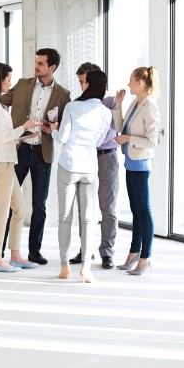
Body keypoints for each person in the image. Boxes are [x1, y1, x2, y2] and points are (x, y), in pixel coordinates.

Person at [0, 48, 71, 266]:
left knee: (37, 205)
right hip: (18, 150)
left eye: (41, 63)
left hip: (42, 151)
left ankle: (32, 251)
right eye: (36, 62)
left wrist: (53, 127)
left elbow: (64, 124)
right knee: (7, 205)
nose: (36, 66)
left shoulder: (63, 94)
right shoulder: (22, 85)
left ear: (52, 67)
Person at [45, 70, 111, 283]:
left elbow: (63, 138)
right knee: (89, 219)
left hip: (69, 165)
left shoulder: (72, 107)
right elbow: (99, 142)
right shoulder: (105, 112)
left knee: (65, 218)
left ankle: (65, 265)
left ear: (88, 84)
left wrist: (53, 130)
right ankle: (86, 267)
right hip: (90, 168)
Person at [0, 62, 42, 272]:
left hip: (7, 160)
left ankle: (15, 255)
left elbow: (7, 137)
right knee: (2, 210)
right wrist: (24, 127)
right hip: (2, 162)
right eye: (8, 80)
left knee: (20, 208)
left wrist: (25, 134)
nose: (10, 84)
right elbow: (3, 136)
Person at [68, 63, 119, 269]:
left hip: (107, 158)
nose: (82, 86)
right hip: (85, 158)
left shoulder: (112, 102)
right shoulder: (79, 104)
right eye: (80, 82)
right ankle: (85, 250)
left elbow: (113, 130)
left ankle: (107, 253)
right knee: (84, 207)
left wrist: (94, 138)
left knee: (108, 207)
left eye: (84, 81)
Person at [112, 66, 161, 276]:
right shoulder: (135, 103)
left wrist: (128, 139)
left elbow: (152, 140)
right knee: (136, 211)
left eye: (131, 80)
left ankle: (146, 257)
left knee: (144, 211)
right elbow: (121, 127)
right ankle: (134, 253)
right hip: (131, 163)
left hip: (141, 165)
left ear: (140, 82)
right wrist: (118, 105)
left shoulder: (150, 107)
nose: (128, 83)